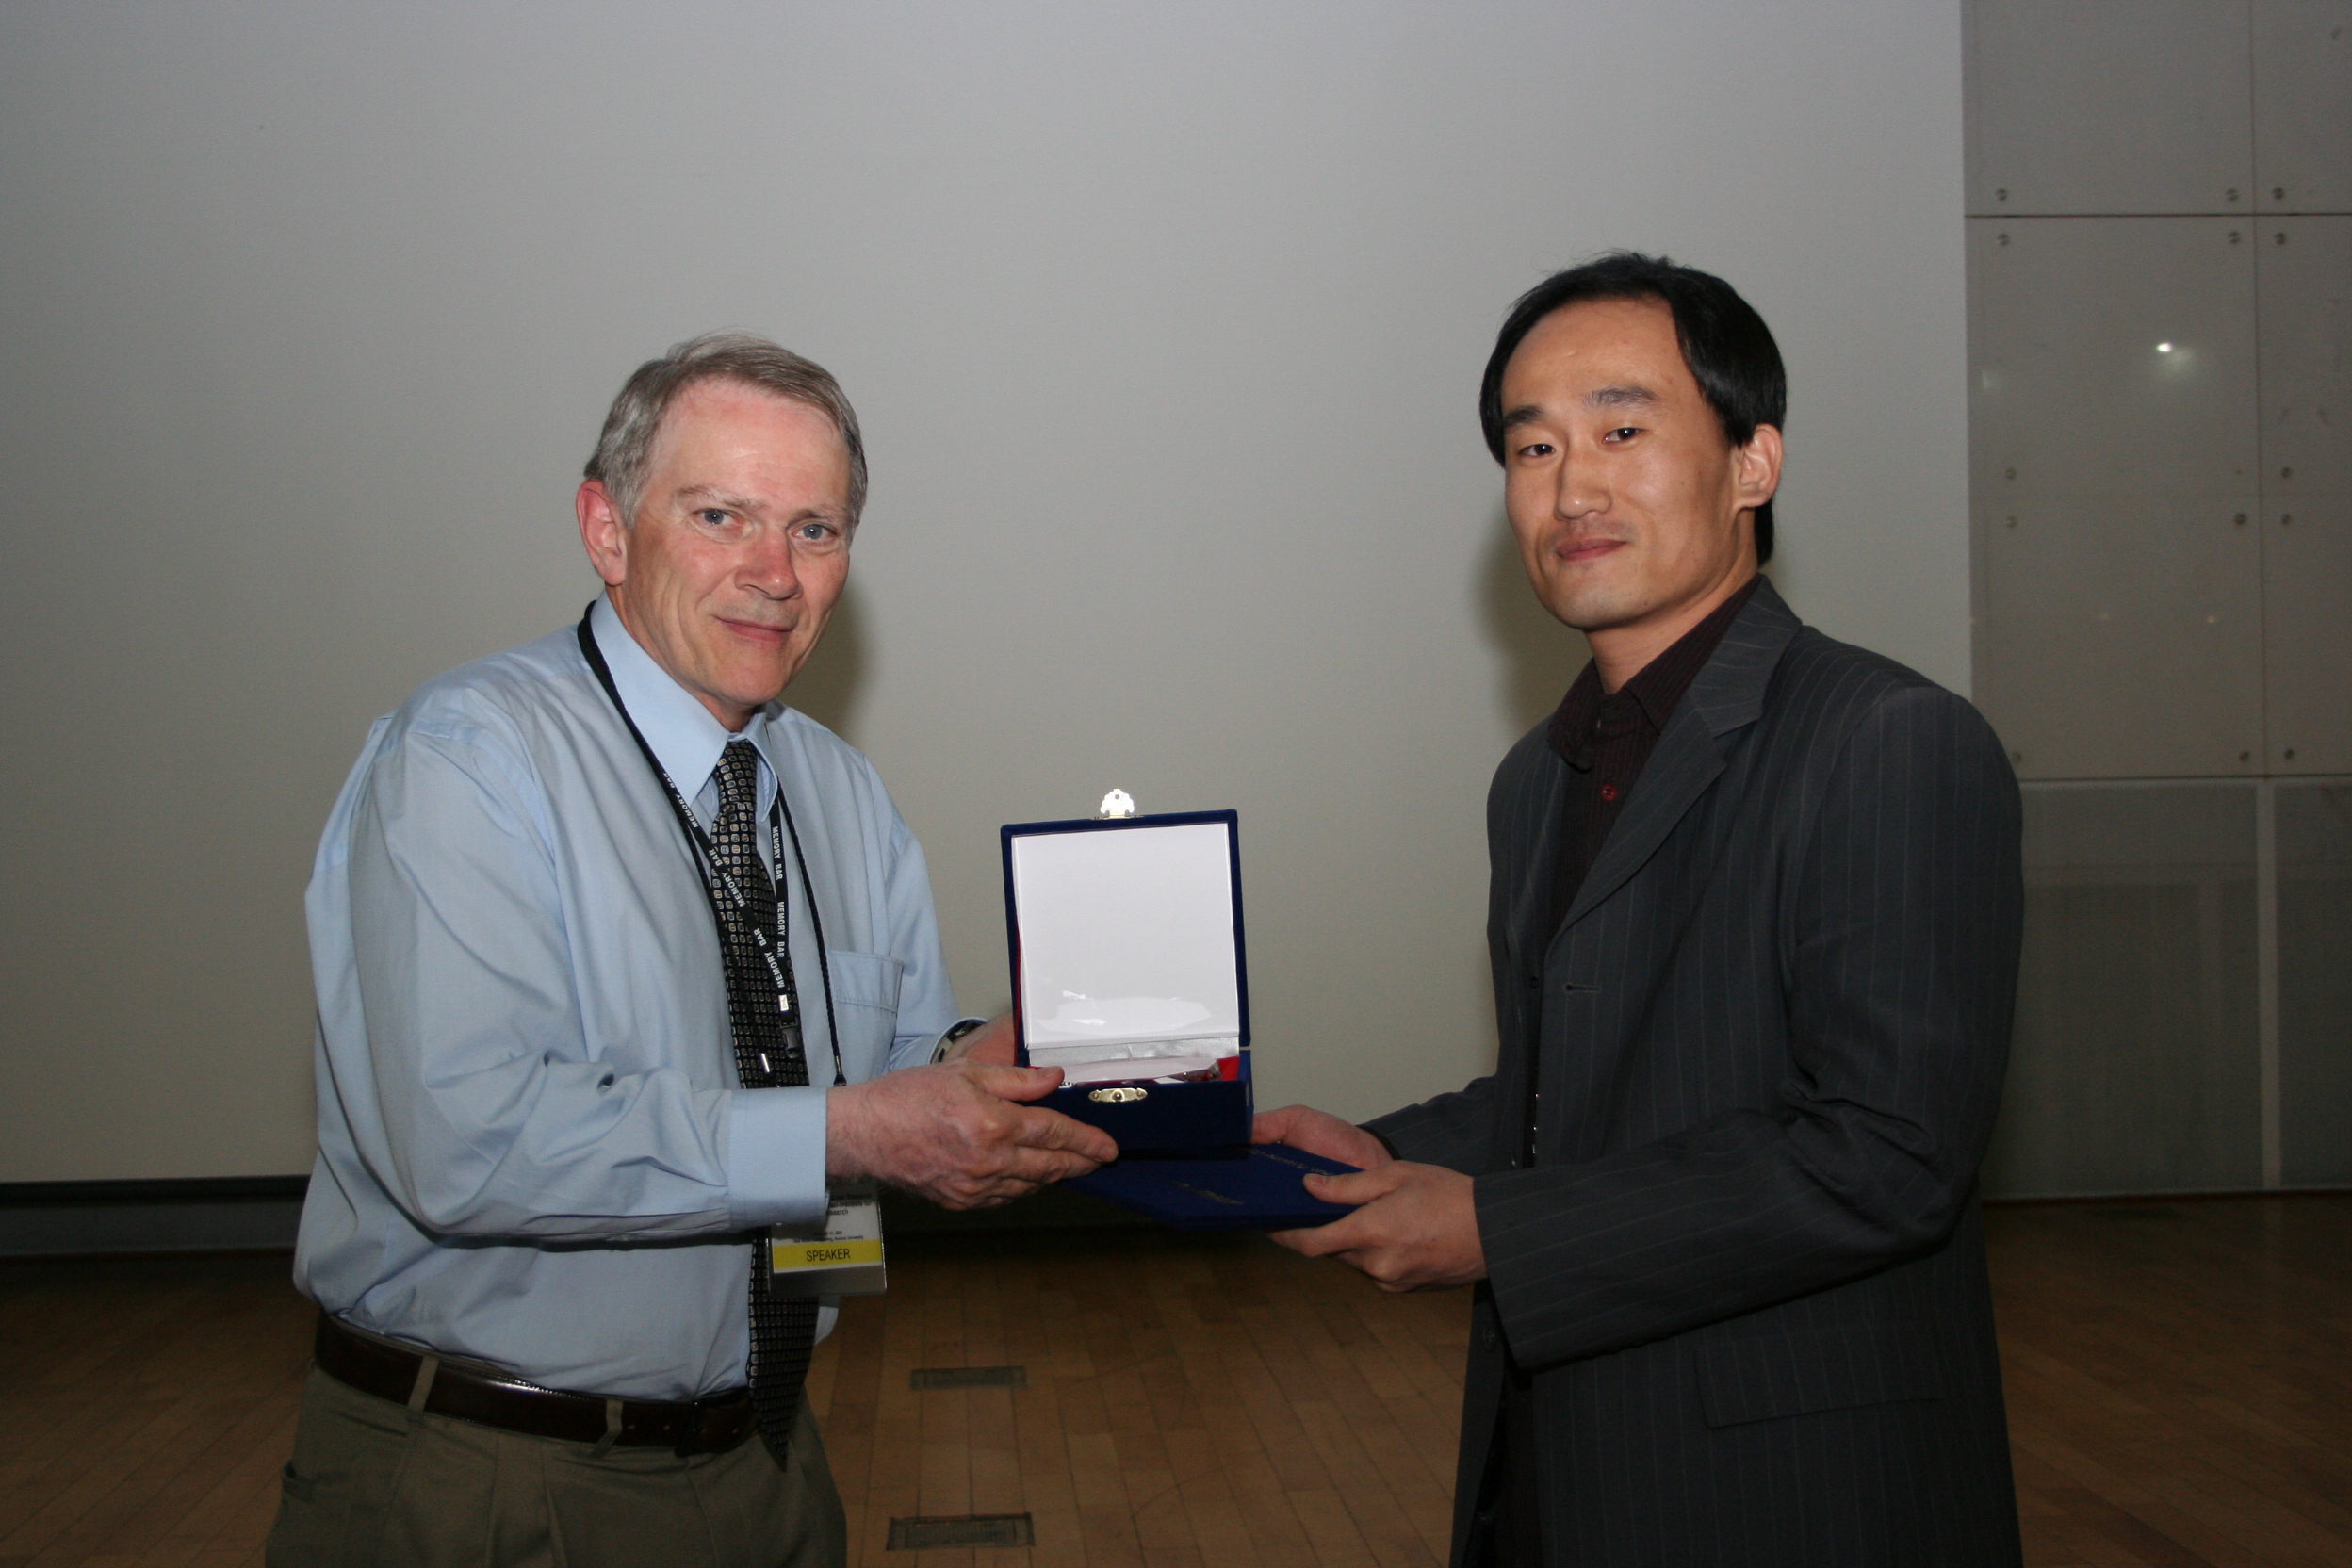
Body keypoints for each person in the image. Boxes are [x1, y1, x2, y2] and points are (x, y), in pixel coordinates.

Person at [269, 333, 1116, 1567]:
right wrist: (843, 1134)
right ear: (607, 531)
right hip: (487, 1479)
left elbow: (885, 1066)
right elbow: (466, 1142)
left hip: (769, 1459)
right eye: (722, 516)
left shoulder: (840, 792)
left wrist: (991, 1065)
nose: (773, 573)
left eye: (815, 530)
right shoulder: (468, 761)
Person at [1257, 253, 2024, 1567]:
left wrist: (1495, 1231)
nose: (1573, 488)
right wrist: (1370, 1152)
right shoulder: (1537, 778)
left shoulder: (1887, 739)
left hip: (1802, 1492)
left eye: (1622, 431)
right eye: (1533, 446)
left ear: (1752, 463)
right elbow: (1586, 1091)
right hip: (1562, 1465)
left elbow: (1888, 1154)